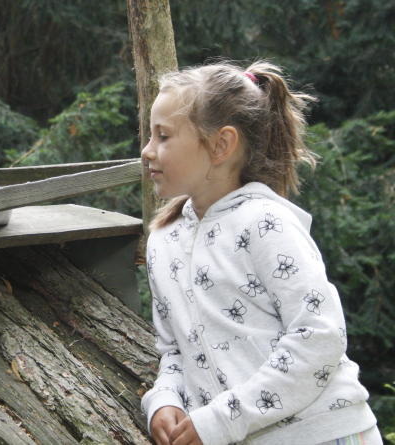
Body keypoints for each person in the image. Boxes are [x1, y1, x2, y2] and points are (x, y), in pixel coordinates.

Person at [139, 61, 381, 445]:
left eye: (163, 136)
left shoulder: (267, 223)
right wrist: (165, 400)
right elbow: (173, 350)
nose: (147, 150)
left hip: (324, 434)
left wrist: (222, 419)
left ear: (221, 144)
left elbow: (319, 337)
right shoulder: (163, 240)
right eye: (150, 135)